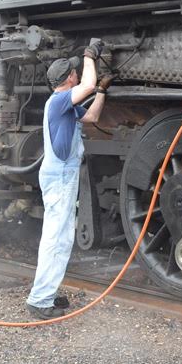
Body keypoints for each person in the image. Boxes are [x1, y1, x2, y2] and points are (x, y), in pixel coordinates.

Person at [26, 41, 112, 319]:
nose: (78, 75)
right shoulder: (60, 100)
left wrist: (101, 91)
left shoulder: (65, 105)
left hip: (64, 175)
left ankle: (46, 295)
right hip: (60, 176)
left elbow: (93, 115)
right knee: (54, 238)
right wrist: (90, 56)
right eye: (75, 73)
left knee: (62, 238)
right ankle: (39, 300)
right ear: (69, 79)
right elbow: (85, 86)